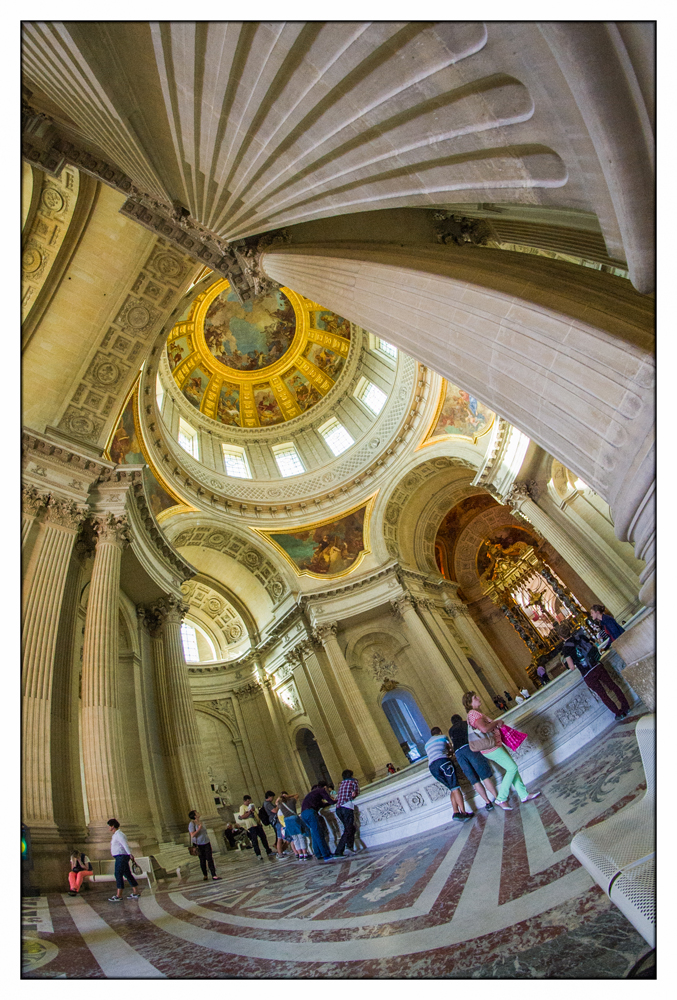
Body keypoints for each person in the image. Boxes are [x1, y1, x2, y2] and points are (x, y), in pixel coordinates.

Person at [462, 692, 541, 811]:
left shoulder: (475, 713)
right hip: (491, 748)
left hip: (495, 745)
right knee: (512, 768)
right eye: (475, 698)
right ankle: (501, 798)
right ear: (469, 703)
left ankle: (523, 794)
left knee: (512, 769)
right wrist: (496, 722)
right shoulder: (473, 713)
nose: (478, 698)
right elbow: (484, 728)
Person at [561, 627, 630, 720]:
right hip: (597, 666)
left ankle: (618, 713)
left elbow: (572, 667)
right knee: (613, 686)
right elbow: (594, 646)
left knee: (603, 694)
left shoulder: (566, 648)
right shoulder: (580, 636)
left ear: (561, 637)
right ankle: (626, 707)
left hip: (587, 674)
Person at [448, 714, 497, 811]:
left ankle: (487, 802)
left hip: (459, 753)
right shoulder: (465, 723)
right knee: (484, 776)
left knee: (475, 781)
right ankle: (498, 797)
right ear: (460, 718)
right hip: (470, 748)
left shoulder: (450, 730)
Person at [424, 727, 473, 822]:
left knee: (452, 788)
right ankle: (464, 813)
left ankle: (456, 812)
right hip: (443, 762)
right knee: (456, 788)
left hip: (432, 767)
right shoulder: (443, 737)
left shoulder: (427, 744)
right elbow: (450, 748)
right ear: (440, 732)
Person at [300, 782, 337, 862]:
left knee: (314, 834)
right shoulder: (321, 790)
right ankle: (326, 855)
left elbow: (322, 805)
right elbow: (330, 801)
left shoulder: (312, 795)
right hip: (310, 813)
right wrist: (337, 800)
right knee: (318, 834)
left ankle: (318, 853)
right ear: (324, 787)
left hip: (303, 814)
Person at [107, 818, 141, 902]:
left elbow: (125, 845)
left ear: (113, 826)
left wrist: (130, 854)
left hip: (121, 856)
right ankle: (136, 892)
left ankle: (119, 895)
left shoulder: (119, 835)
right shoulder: (116, 834)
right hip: (120, 856)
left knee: (118, 874)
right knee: (127, 874)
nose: (108, 828)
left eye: (109, 826)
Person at [333, 769, 360, 856]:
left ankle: (349, 847)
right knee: (348, 829)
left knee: (350, 828)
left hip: (338, 809)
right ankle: (338, 851)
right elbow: (356, 793)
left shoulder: (342, 783)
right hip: (347, 807)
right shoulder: (353, 781)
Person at [188, 810, 222, 881]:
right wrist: (199, 829)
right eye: (197, 813)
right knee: (202, 860)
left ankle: (214, 874)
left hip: (206, 842)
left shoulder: (201, 822)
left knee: (209, 858)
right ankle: (205, 875)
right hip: (198, 844)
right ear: (194, 816)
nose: (198, 813)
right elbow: (192, 835)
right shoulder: (192, 824)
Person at [237, 795, 274, 860]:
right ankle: (258, 854)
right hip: (251, 826)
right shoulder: (242, 807)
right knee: (255, 841)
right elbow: (242, 816)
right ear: (244, 801)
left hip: (257, 824)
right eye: (247, 801)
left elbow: (256, 814)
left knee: (263, 838)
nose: (249, 802)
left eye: (249, 801)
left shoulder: (251, 806)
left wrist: (259, 821)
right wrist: (250, 812)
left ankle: (268, 851)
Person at [277, 791, 310, 860]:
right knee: (301, 836)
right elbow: (297, 795)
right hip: (294, 818)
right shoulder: (291, 801)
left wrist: (281, 797)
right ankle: (305, 853)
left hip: (287, 821)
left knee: (295, 839)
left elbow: (276, 802)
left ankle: (300, 854)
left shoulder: (280, 804)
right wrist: (289, 796)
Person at [262, 791, 287, 859]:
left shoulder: (267, 803)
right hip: (276, 821)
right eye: (272, 797)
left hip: (276, 821)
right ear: (269, 797)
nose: (273, 798)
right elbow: (275, 810)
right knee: (279, 837)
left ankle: (281, 851)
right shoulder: (267, 804)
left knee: (281, 837)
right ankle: (280, 853)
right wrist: (277, 804)